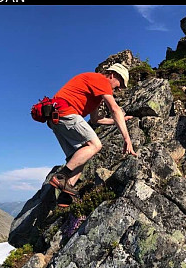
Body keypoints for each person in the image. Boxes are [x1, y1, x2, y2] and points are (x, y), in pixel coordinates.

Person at [47, 63, 138, 202]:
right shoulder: (101, 81)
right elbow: (115, 109)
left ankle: (66, 195)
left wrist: (119, 120)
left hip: (56, 118)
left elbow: (96, 120)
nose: (119, 88)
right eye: (120, 83)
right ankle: (61, 177)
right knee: (95, 145)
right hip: (66, 112)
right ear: (112, 75)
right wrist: (127, 138)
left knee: (81, 156)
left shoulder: (95, 92)